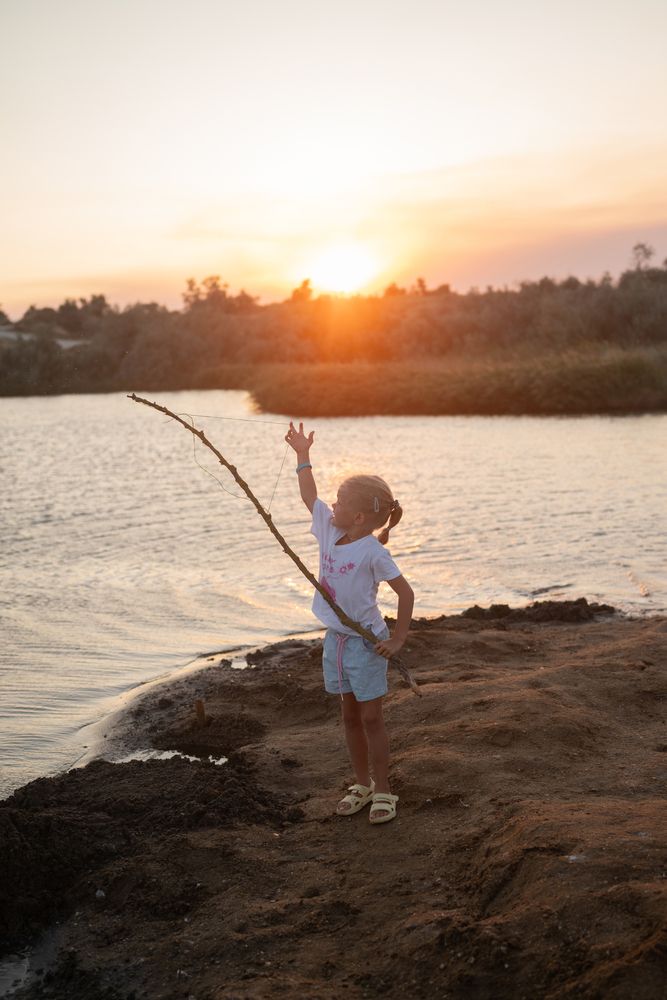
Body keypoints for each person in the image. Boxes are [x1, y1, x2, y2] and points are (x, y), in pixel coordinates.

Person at [285, 420, 414, 825]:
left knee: (372, 717)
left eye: (339, 502)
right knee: (348, 715)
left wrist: (397, 639)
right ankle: (360, 784)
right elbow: (310, 496)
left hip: (365, 643)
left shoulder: (372, 551)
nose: (331, 506)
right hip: (336, 641)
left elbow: (405, 594)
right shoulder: (329, 530)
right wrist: (303, 455)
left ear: (358, 517)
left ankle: (384, 790)